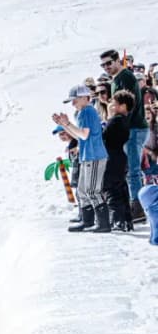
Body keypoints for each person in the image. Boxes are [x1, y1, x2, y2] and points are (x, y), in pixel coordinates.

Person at [53, 85, 109, 232]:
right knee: (83, 190)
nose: (73, 104)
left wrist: (66, 123)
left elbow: (84, 134)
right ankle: (87, 220)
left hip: (94, 155)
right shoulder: (83, 112)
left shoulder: (87, 112)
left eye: (75, 100)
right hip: (87, 155)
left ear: (85, 98)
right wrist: (63, 125)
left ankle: (103, 224)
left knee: (91, 190)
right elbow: (79, 135)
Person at [101, 50, 148, 221]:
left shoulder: (126, 77)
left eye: (109, 63)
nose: (106, 67)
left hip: (134, 128)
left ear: (117, 61)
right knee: (127, 170)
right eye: (103, 65)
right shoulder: (116, 80)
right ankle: (132, 204)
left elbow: (130, 104)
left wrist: (121, 126)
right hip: (129, 129)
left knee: (133, 170)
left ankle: (138, 206)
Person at [102, 90, 135, 232]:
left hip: (112, 158)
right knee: (121, 188)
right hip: (120, 158)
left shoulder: (116, 121)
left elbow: (105, 137)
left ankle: (117, 220)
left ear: (123, 106)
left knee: (111, 189)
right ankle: (127, 220)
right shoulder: (125, 120)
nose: (111, 106)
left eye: (114, 104)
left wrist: (109, 117)